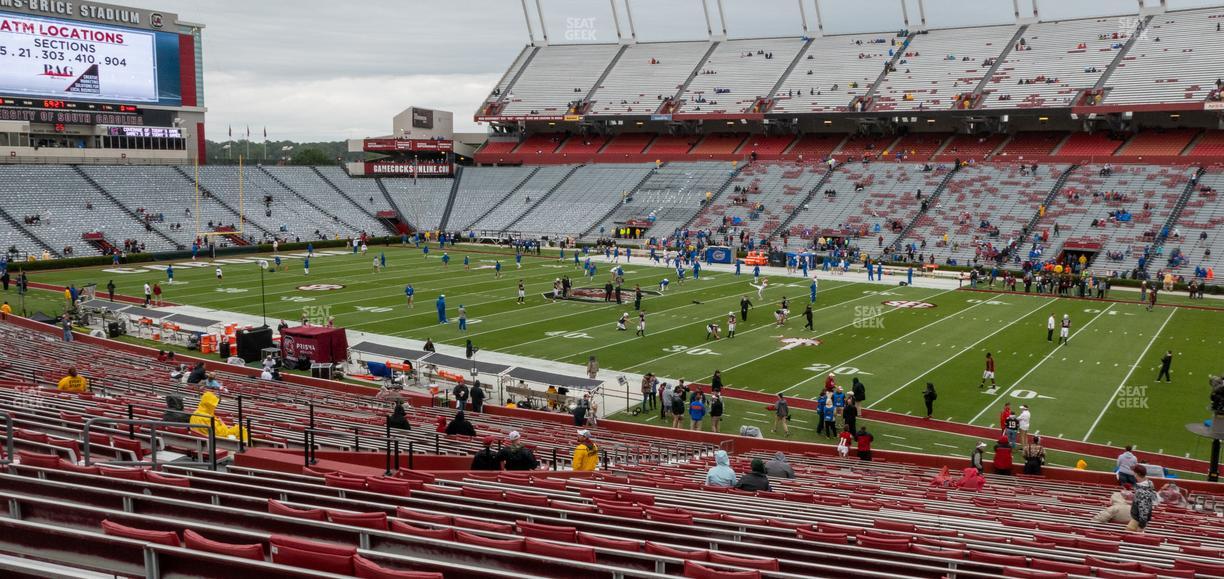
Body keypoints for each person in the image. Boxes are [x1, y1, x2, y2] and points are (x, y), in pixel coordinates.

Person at [1127, 465, 1158, 532]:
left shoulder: (1141, 491)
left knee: (1127, 536)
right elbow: (1153, 498)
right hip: (1139, 518)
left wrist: (1141, 526)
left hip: (1137, 520)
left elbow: (1144, 510)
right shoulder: (1149, 483)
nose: (1133, 473)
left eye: (1134, 472)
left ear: (1137, 474)